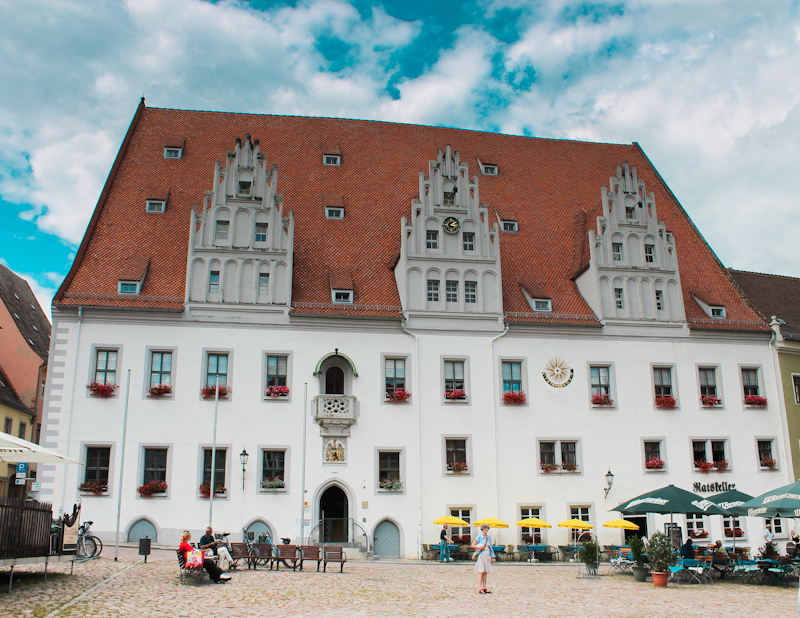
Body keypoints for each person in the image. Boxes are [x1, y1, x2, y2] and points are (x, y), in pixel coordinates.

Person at [471, 524, 496, 594]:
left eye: (487, 528)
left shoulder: (489, 537)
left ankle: (484, 587)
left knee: (485, 572)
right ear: (482, 529)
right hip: (481, 555)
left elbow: (490, 548)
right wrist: (480, 548)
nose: (486, 530)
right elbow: (473, 545)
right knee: (481, 572)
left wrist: (492, 557)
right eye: (485, 528)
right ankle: (480, 588)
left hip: (487, 555)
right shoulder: (479, 537)